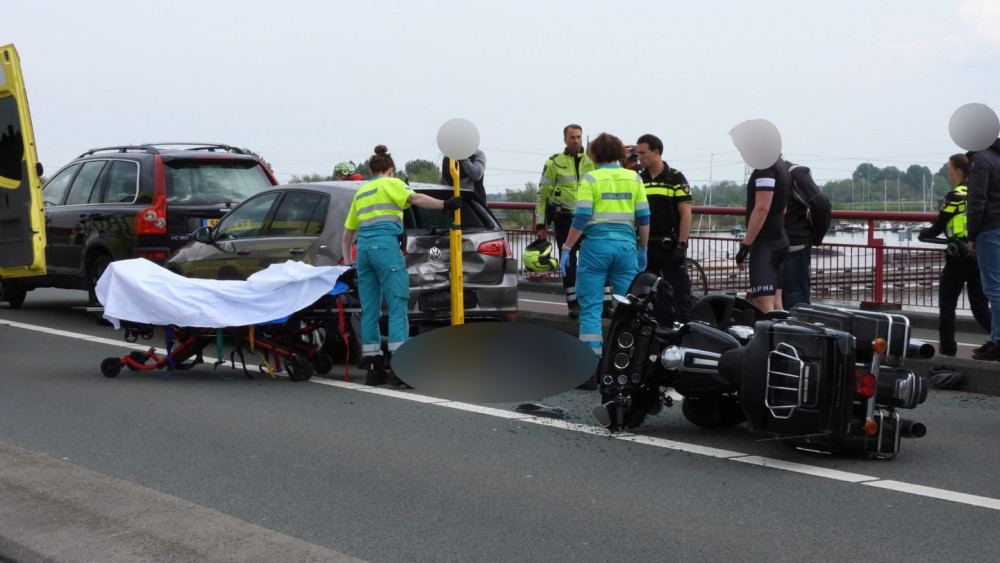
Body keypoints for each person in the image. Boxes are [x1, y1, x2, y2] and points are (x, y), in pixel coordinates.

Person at [341, 145, 463, 385]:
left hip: (363, 251)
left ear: (371, 169)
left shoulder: (361, 193)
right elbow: (415, 198)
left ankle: (373, 366)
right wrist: (444, 205)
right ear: (390, 169)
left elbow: (346, 237)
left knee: (369, 310)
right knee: (397, 305)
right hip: (386, 247)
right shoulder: (392, 183)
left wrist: (348, 264)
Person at [559, 133, 650, 389]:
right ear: (620, 153)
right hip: (625, 248)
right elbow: (644, 218)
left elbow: (582, 216)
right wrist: (643, 249)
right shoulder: (634, 177)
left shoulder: (590, 178)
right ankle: (626, 367)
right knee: (628, 309)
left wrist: (567, 247)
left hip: (595, 248)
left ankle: (589, 371)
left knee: (591, 308)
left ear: (594, 155)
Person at [918, 154, 992, 357]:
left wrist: (923, 234)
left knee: (948, 305)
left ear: (958, 171)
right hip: (978, 254)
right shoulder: (978, 193)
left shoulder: (955, 197)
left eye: (949, 169)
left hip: (958, 256)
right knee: (980, 307)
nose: (948, 173)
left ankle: (948, 349)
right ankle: (997, 341)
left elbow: (938, 227)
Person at [535, 124, 598, 318]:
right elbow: (543, 195)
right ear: (565, 139)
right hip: (565, 219)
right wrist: (540, 224)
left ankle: (599, 303)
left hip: (590, 220)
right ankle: (573, 304)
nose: (576, 141)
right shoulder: (555, 163)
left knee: (595, 260)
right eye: (572, 137)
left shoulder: (592, 161)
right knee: (568, 263)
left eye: (579, 137)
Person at [636, 134, 693, 322]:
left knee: (680, 296)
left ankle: (685, 338)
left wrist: (682, 245)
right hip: (646, 247)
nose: (639, 157)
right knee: (643, 296)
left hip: (669, 247)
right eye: (638, 154)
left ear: (656, 152)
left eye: (643, 153)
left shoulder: (675, 178)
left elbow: (686, 213)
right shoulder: (639, 179)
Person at [735, 157, 791, 313]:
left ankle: (769, 338)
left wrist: (745, 247)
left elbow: (761, 209)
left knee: (763, 310)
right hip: (780, 239)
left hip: (765, 244)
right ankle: (782, 337)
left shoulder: (764, 168)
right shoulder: (782, 165)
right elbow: (783, 208)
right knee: (777, 307)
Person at [967, 136, 1000, 361]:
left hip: (989, 229)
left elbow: (977, 200)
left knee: (994, 289)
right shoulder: (997, 156)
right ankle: (995, 338)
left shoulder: (981, 159)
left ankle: (998, 342)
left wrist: (972, 234)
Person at [782, 161, 812, 309]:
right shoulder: (775, 172)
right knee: (786, 298)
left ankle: (801, 328)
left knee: (795, 299)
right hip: (782, 245)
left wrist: (815, 236)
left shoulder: (795, 172)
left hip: (794, 244)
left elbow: (822, 204)